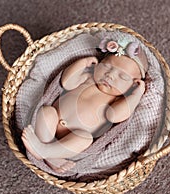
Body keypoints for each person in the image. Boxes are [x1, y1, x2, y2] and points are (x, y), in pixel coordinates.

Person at [21, 38, 148, 173]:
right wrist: (82, 64)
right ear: (99, 63)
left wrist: (136, 95)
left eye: (122, 76)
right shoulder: (88, 77)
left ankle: (47, 150)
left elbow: (116, 116)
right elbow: (67, 82)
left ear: (133, 84)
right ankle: (49, 153)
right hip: (53, 122)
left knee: (85, 139)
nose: (110, 75)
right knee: (46, 112)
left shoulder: (118, 99)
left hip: (74, 139)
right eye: (107, 66)